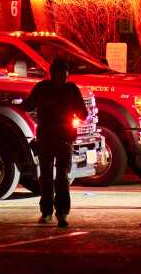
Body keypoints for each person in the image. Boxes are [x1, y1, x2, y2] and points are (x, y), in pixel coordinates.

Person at [21, 58, 90, 227]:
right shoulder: (68, 89)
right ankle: (58, 213)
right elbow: (83, 114)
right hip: (56, 137)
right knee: (56, 177)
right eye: (61, 74)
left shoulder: (45, 88)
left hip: (55, 137)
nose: (63, 77)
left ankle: (51, 213)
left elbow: (27, 106)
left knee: (52, 177)